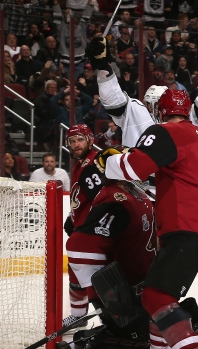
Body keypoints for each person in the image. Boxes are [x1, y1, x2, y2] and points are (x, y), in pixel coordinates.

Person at [95, 38, 198, 349]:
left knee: (155, 294)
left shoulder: (165, 131)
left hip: (181, 220)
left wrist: (109, 161)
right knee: (160, 296)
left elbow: (135, 168)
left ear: (160, 110)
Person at [64, 165, 160, 348]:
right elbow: (80, 248)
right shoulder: (117, 199)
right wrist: (103, 294)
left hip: (140, 284)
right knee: (130, 333)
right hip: (126, 289)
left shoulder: (139, 196)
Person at [63, 124, 105, 330]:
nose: (76, 144)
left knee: (96, 279)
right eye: (72, 141)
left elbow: (103, 197)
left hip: (96, 232)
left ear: (89, 139)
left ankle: (111, 318)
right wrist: (74, 218)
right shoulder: (81, 163)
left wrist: (89, 224)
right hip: (84, 229)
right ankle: (78, 316)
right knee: (76, 272)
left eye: (79, 139)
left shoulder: (94, 162)